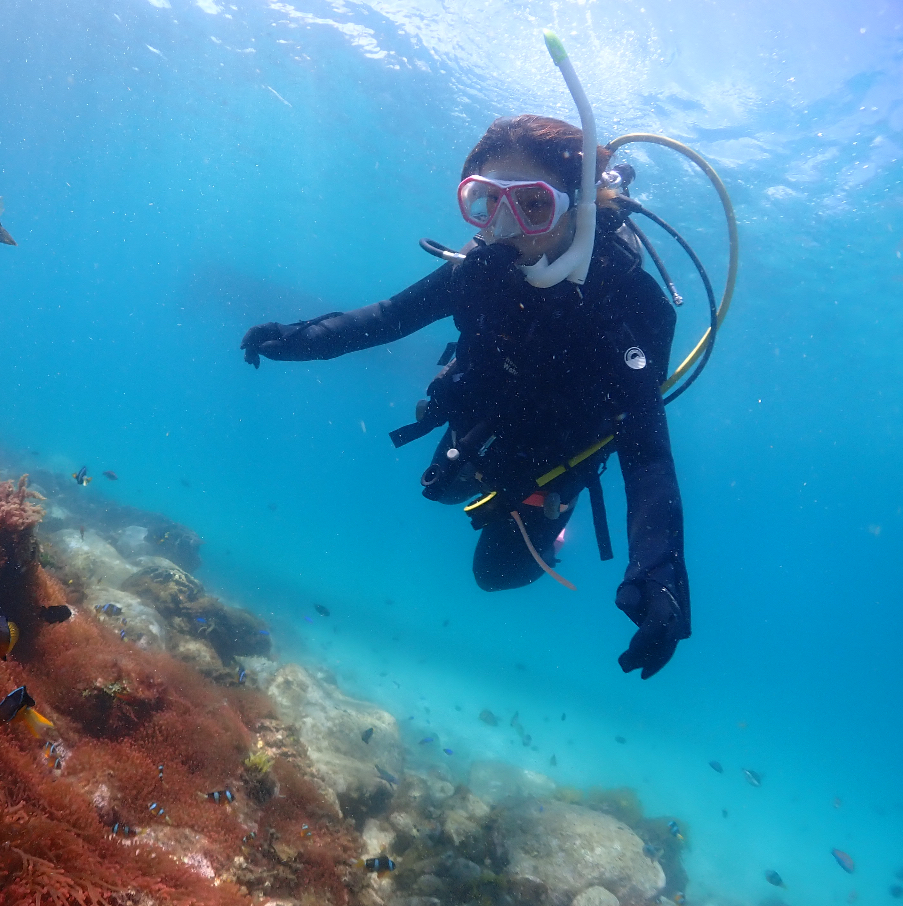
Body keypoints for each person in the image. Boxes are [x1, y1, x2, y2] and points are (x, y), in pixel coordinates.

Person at [239, 115, 689, 679]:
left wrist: (658, 571)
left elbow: (646, 451)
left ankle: (555, 519)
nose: (502, 229)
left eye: (532, 206)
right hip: (481, 420)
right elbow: (388, 317)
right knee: (443, 489)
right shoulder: (478, 270)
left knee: (494, 574)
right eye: (484, 203)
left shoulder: (632, 305)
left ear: (580, 209)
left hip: (556, 460)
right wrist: (297, 340)